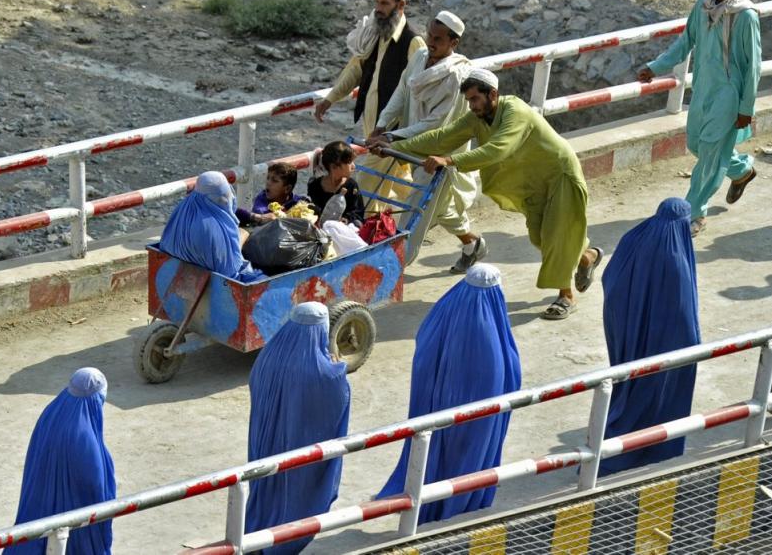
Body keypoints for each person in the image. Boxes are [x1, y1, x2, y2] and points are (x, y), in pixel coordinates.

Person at [373, 68, 603, 320]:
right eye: (469, 100)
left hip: (560, 175)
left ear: (492, 94)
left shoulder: (515, 112)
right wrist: (394, 145)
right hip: (533, 182)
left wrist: (449, 160)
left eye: (474, 99)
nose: (471, 106)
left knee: (557, 235)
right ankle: (586, 257)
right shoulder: (478, 117)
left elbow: (497, 150)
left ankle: (566, 296)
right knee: (541, 237)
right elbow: (443, 136)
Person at [377, 264, 521, 524]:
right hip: (478, 413)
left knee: (435, 452)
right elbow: (509, 373)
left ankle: (429, 507)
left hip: (439, 402)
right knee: (470, 457)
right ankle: (460, 506)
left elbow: (424, 346)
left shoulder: (447, 308)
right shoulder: (492, 326)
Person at [638, 0, 761, 238]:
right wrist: (656, 67)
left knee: (708, 157)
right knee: (697, 144)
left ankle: (695, 213)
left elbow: (753, 66)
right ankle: (741, 169)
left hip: (729, 95)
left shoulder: (745, 15)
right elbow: (686, 41)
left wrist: (746, 107)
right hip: (703, 89)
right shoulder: (702, 4)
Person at [367, 10, 485, 273]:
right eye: (429, 35)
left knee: (414, 211)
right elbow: (402, 90)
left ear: (453, 43)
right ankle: (472, 244)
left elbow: (436, 124)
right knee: (440, 209)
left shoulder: (456, 76)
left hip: (438, 154)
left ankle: (392, 267)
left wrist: (393, 137)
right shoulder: (420, 57)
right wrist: (382, 124)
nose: (431, 42)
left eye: (438, 39)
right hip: (411, 145)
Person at [599, 198, 700, 476]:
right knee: (656, 391)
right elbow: (683, 316)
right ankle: (648, 447)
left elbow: (610, 278)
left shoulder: (634, 237)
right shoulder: (677, 258)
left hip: (628, 331)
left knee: (630, 384)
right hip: (664, 341)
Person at [314, 0, 426, 213]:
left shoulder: (413, 42)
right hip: (371, 122)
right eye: (377, 3)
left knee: (365, 188)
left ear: (401, 5)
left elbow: (417, 89)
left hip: (390, 131)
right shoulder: (374, 33)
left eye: (384, 4)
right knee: (396, 178)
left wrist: (401, 130)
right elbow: (355, 69)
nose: (378, 9)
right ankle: (429, 209)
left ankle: (371, 234)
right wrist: (330, 98)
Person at [245, 302, 350, 554]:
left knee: (266, 487)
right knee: (294, 493)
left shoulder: (268, 354)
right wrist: (338, 369)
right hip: (297, 443)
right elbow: (337, 399)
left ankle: (256, 539)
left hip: (266, 441)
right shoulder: (324, 374)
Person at [4, 368, 116, 555]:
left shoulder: (51, 412)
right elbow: (95, 483)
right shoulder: (84, 434)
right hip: (75, 518)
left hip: (40, 499)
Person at [159, 171, 264, 281]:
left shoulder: (183, 208)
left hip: (171, 273)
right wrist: (239, 241)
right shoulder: (213, 229)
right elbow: (230, 274)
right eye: (224, 198)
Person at [307, 140, 365, 226]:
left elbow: (357, 212)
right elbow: (312, 210)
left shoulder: (351, 186)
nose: (354, 166)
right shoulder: (315, 185)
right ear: (334, 166)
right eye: (349, 162)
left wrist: (346, 220)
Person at [236, 162, 309, 226]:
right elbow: (262, 213)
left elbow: (306, 203)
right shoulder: (262, 201)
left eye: (274, 180)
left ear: (287, 189)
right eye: (268, 178)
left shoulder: (296, 201)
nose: (268, 183)